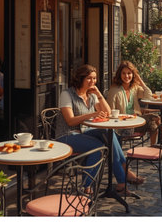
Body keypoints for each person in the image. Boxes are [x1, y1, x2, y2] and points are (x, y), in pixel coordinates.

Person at [55, 64, 144, 193]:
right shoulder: (67, 94)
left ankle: (121, 179)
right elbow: (70, 120)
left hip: (86, 132)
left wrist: (99, 94)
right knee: (98, 147)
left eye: (95, 78)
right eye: (89, 78)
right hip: (67, 135)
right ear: (80, 79)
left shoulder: (91, 95)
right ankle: (87, 186)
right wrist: (92, 114)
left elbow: (108, 112)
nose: (93, 81)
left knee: (109, 134)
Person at [107, 61, 162, 146]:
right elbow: (110, 112)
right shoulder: (114, 91)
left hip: (136, 121)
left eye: (129, 73)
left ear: (133, 74)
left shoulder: (134, 89)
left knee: (154, 124)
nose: (127, 76)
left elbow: (148, 95)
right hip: (123, 125)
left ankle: (155, 145)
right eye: (123, 73)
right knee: (156, 118)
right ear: (119, 75)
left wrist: (140, 80)